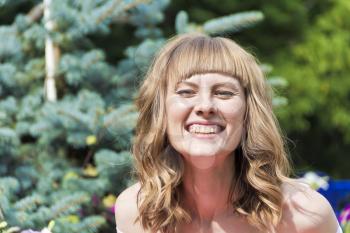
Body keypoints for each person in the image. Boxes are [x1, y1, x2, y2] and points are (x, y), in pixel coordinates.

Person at [114, 33, 342, 233]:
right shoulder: (135, 213)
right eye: (186, 91)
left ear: (248, 113)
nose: (205, 106)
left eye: (224, 93)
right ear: (160, 112)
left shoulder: (304, 215)